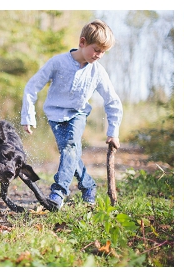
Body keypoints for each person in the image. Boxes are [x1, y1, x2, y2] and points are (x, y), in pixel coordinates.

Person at [21, 19, 122, 211]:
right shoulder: (58, 62)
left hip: (78, 114)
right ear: (82, 42)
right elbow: (32, 86)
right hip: (55, 116)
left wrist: (113, 131)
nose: (99, 55)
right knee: (71, 154)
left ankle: (58, 194)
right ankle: (89, 186)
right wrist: (28, 116)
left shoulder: (97, 72)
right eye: (97, 50)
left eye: (103, 52)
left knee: (69, 148)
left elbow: (113, 101)